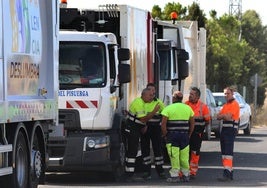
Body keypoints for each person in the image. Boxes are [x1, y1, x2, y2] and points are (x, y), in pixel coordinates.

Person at [124, 88, 160, 181]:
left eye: (152, 95)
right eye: (149, 95)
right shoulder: (139, 103)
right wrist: (154, 111)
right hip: (132, 128)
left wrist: (144, 126)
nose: (151, 97)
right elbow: (143, 119)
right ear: (143, 95)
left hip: (135, 128)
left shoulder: (143, 102)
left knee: (133, 151)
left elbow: (142, 120)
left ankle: (129, 173)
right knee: (132, 151)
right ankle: (129, 175)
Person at [161, 91, 194, 183]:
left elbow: (163, 124)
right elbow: (192, 123)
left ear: (174, 98)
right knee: (184, 156)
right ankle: (186, 175)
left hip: (172, 136)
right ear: (182, 98)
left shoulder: (168, 108)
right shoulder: (188, 108)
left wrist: (165, 134)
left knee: (174, 156)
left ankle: (175, 176)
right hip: (184, 135)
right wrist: (189, 134)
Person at [140, 83, 166, 180]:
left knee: (158, 150)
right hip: (144, 128)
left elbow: (165, 115)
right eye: (149, 89)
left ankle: (161, 171)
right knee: (145, 150)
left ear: (155, 91)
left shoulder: (158, 102)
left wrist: (163, 128)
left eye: (152, 90)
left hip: (156, 129)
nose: (151, 92)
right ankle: (147, 172)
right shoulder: (142, 102)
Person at [185, 87, 211, 179]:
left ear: (197, 96)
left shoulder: (203, 107)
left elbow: (207, 120)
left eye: (192, 94)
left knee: (195, 153)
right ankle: (184, 172)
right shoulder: (185, 105)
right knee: (184, 153)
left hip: (196, 134)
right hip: (186, 134)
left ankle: (192, 172)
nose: (190, 96)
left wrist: (200, 129)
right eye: (190, 94)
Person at [217, 86, 240, 181]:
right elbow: (218, 116)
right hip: (225, 130)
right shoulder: (226, 105)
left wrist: (223, 116)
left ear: (232, 94)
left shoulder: (234, 104)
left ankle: (227, 173)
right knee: (224, 153)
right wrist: (224, 116)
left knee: (228, 152)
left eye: (228, 93)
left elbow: (228, 117)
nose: (226, 95)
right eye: (225, 94)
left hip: (230, 130)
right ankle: (228, 172)